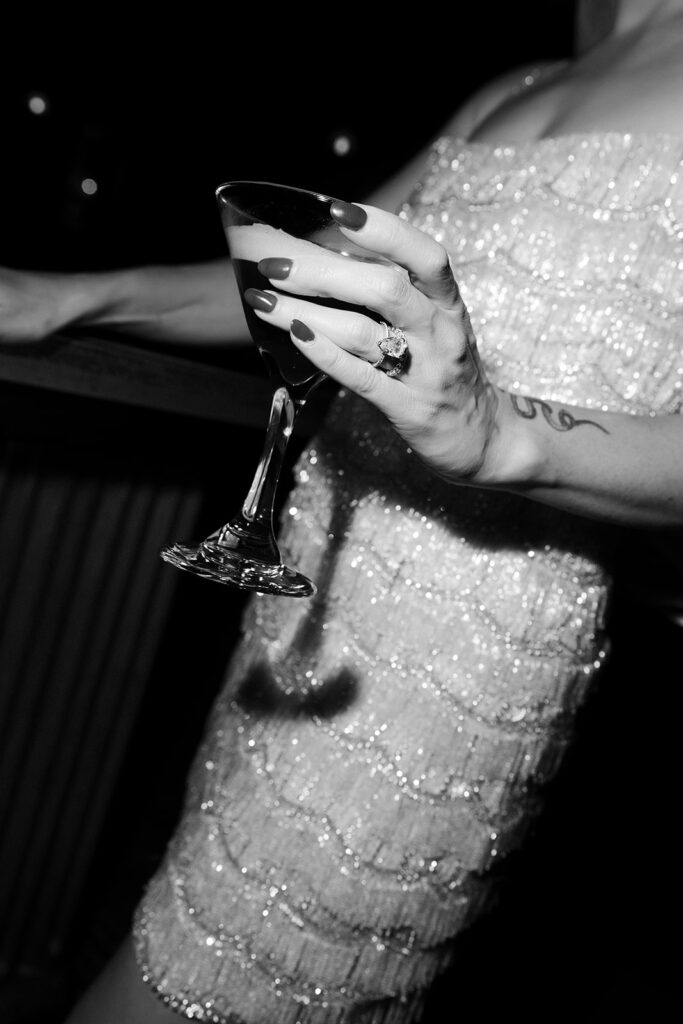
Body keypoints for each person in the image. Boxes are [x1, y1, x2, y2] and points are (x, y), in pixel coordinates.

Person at [3, 1, 682, 1020]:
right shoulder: (517, 84)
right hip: (303, 606)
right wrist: (73, 300)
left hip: (445, 673)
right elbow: (299, 273)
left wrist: (502, 434)